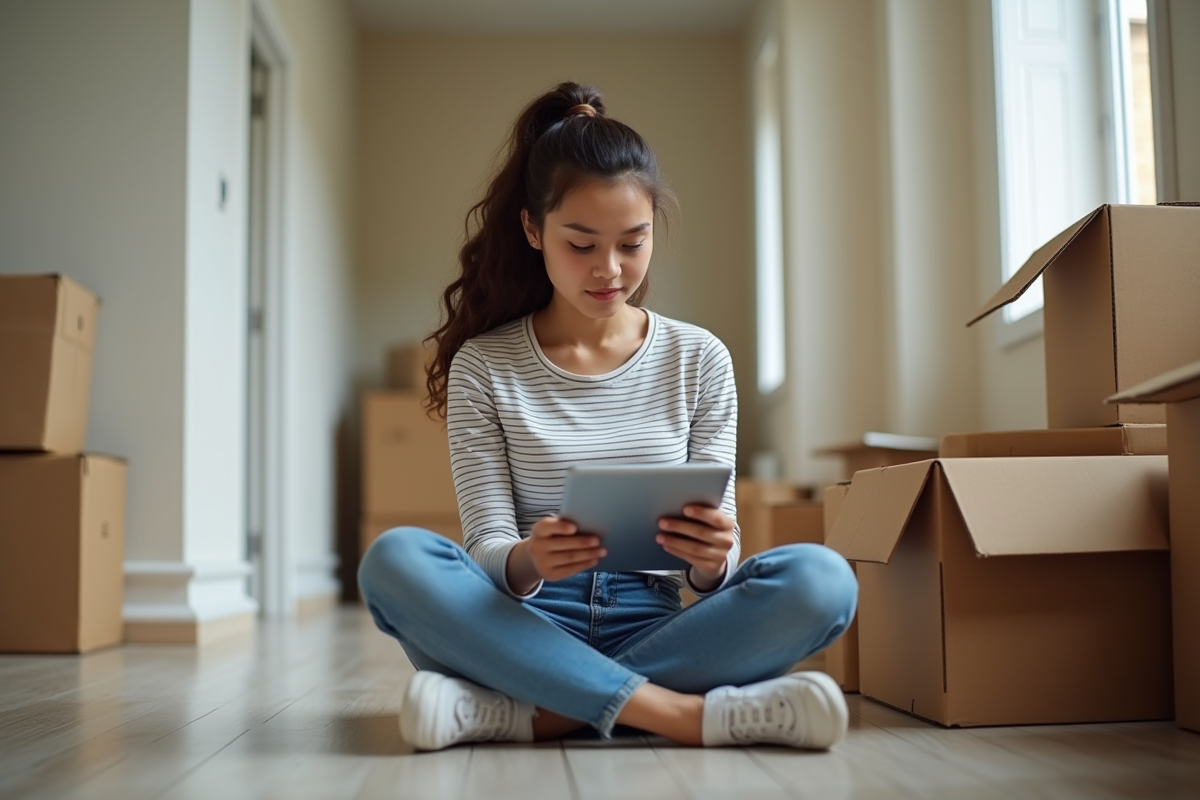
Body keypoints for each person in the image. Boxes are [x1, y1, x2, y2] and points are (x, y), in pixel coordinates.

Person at [358, 82, 858, 752]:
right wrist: (531, 559)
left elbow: (718, 560)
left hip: (654, 624)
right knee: (395, 560)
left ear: (654, 228)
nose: (610, 270)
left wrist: (713, 561)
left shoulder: (699, 357)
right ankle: (683, 715)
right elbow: (485, 549)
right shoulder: (486, 365)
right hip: (523, 627)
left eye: (632, 242)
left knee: (823, 581)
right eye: (582, 243)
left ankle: (529, 714)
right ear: (534, 231)